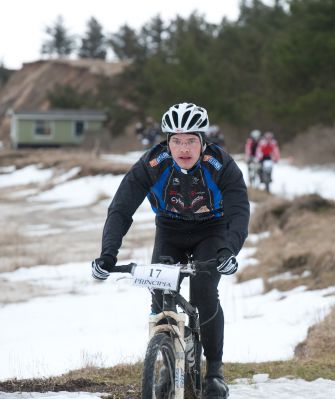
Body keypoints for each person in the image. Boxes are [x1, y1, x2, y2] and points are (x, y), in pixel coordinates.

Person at [92, 102, 250, 399]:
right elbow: (121, 208)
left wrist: (229, 250)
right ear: (167, 142)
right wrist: (108, 254)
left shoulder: (220, 164)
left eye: (191, 140)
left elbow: (239, 211)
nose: (183, 148)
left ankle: (214, 373)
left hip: (212, 231)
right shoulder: (153, 163)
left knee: (204, 293)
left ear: (203, 142)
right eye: (176, 140)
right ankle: (166, 360)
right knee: (160, 294)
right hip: (170, 231)